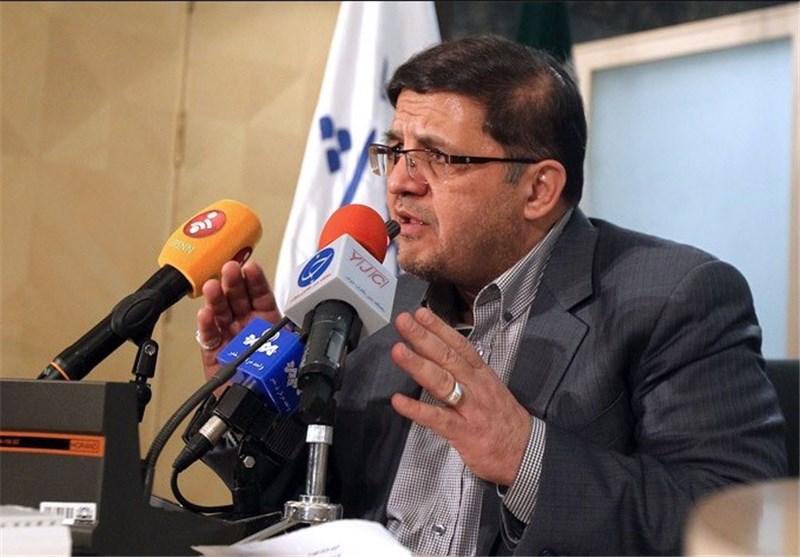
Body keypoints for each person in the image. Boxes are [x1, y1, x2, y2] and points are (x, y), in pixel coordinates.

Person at [190, 35, 787, 555]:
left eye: (436, 157)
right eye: (395, 151)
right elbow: (310, 505)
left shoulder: (675, 296)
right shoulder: (379, 303)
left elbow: (733, 526)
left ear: (538, 189)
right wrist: (257, 392)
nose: (399, 182)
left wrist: (524, 456)